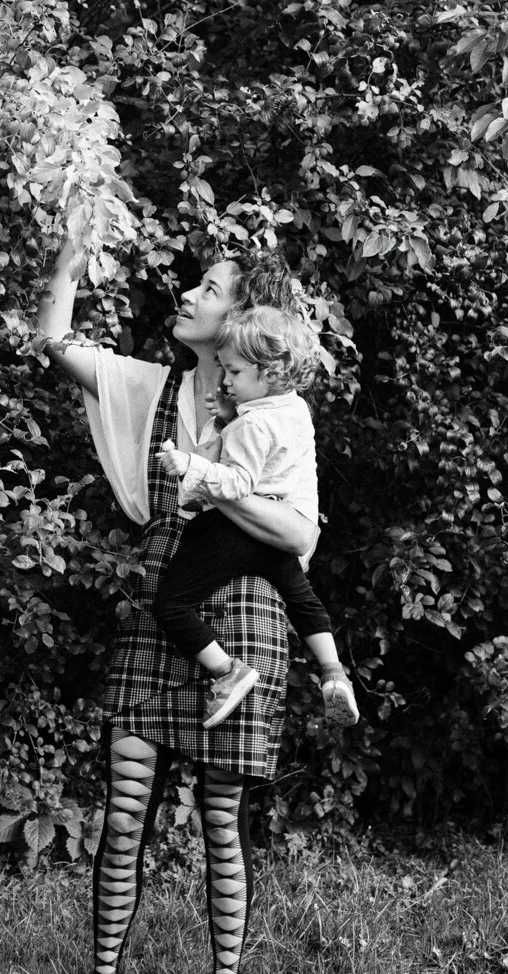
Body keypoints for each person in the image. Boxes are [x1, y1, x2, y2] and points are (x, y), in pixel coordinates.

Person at [37, 238, 320, 974]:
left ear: (243, 315)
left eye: (209, 286)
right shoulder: (153, 386)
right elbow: (54, 344)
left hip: (248, 596)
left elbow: (299, 538)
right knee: (124, 804)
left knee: (219, 819)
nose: (190, 294)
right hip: (167, 591)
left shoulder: (271, 410)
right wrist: (65, 262)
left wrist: (213, 487)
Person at [153, 304, 359, 731]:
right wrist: (229, 417)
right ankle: (333, 671)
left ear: (271, 372)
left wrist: (189, 465)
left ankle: (228, 670)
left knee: (171, 604)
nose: (225, 381)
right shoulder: (293, 408)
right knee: (301, 598)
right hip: (278, 532)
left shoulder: (253, 427)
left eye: (234, 372)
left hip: (234, 533)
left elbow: (237, 484)